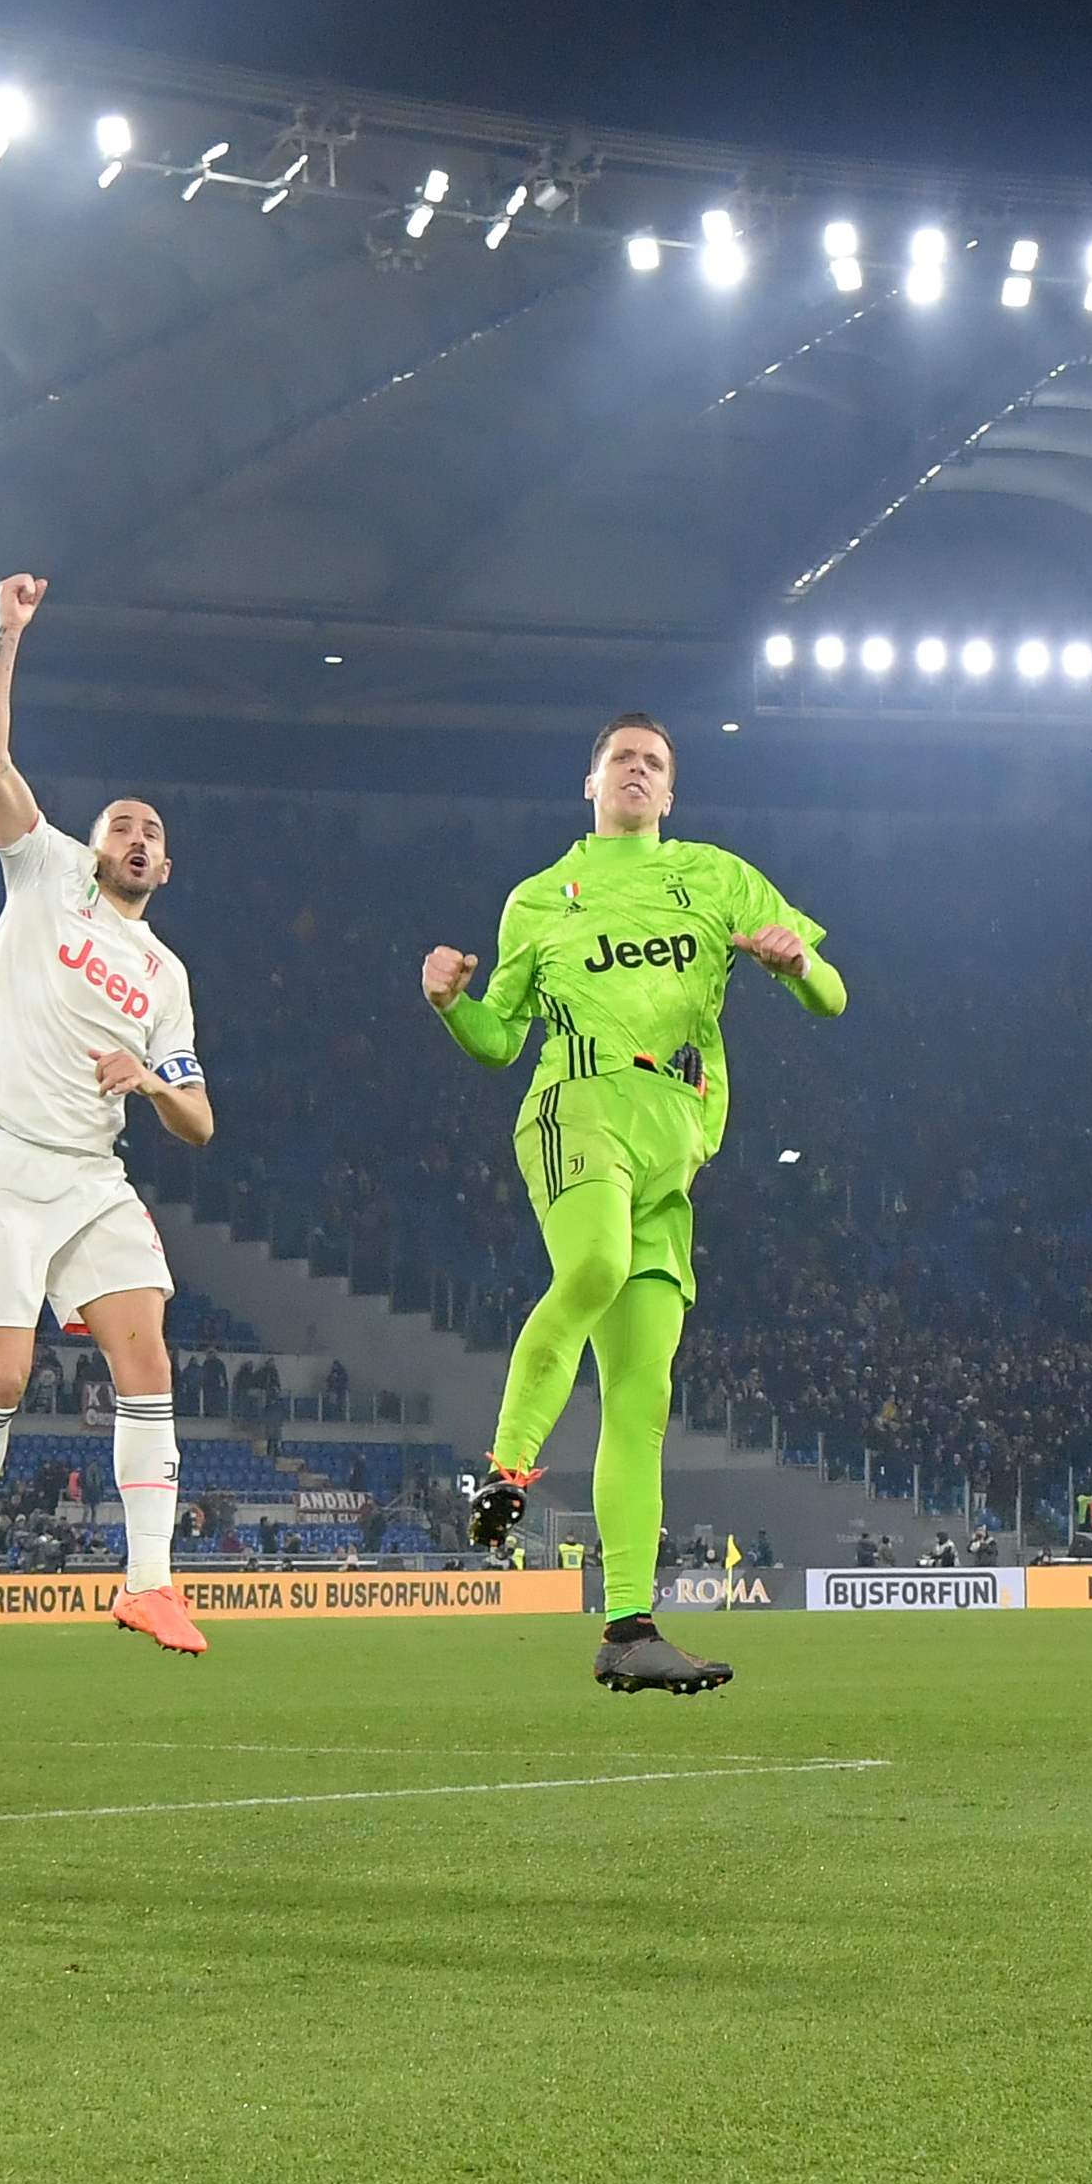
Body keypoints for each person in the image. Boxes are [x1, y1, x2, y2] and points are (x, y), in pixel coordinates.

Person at [423, 712, 843, 1695]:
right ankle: (508, 1468)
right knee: (597, 1264)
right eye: (623, 757)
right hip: (579, 1103)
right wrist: (451, 1004)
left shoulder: (716, 877)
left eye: (656, 760)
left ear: (671, 790)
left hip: (676, 1142)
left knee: (644, 1396)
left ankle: (628, 1627)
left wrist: (796, 964)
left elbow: (832, 998)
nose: (639, 770)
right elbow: (498, 1041)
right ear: (592, 782)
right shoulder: (539, 899)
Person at [0, 572, 216, 1659]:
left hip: (93, 1171)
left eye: (152, 833)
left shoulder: (165, 972)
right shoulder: (47, 872)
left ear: (167, 865)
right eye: (121, 824)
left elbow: (199, 1121)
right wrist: (5, 635)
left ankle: (148, 1581)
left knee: (149, 1358)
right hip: (0, 1157)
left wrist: (146, 1081)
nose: (136, 837)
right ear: (93, 845)